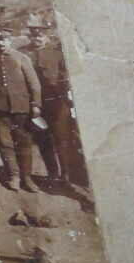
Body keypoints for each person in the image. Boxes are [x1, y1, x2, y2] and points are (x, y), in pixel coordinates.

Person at [22, 21, 86, 188]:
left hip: (57, 102)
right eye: (34, 35)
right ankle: (52, 173)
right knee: (42, 139)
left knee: (62, 139)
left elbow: (68, 76)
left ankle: (67, 175)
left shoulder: (57, 53)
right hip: (35, 104)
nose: (37, 38)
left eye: (40, 35)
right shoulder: (25, 53)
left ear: (47, 35)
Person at [0, 27, 42, 192]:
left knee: (24, 142)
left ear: (10, 40)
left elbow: (34, 83)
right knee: (5, 143)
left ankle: (27, 177)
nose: (1, 43)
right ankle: (14, 176)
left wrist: (36, 104)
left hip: (21, 108)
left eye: (4, 39)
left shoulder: (21, 58)